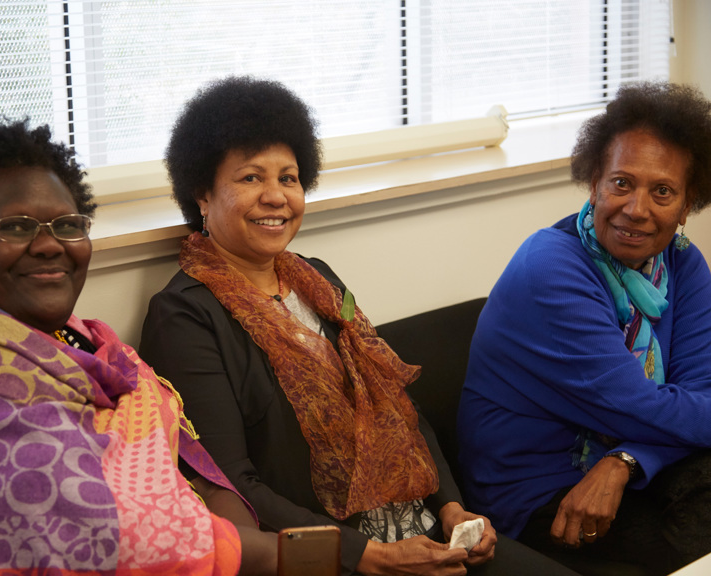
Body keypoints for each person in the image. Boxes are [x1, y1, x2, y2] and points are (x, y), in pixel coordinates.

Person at [139, 76, 578, 576]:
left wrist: (452, 506)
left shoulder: (318, 278)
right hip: (337, 560)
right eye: (250, 178)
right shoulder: (184, 317)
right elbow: (231, 485)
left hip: (428, 533)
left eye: (288, 178)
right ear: (201, 192)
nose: (276, 196)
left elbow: (395, 403)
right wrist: (368, 557)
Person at [0, 119, 277, 576]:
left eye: (68, 225)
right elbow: (104, 541)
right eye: (15, 227)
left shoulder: (64, 336)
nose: (50, 245)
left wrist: (218, 508)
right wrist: (271, 553)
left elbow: (180, 461)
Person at [457, 81, 711, 576]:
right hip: (539, 492)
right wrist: (637, 448)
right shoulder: (551, 267)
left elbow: (695, 394)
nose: (637, 209)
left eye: (662, 191)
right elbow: (637, 407)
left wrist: (626, 462)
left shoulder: (682, 263)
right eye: (621, 183)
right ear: (593, 181)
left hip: (624, 461)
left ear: (687, 205)